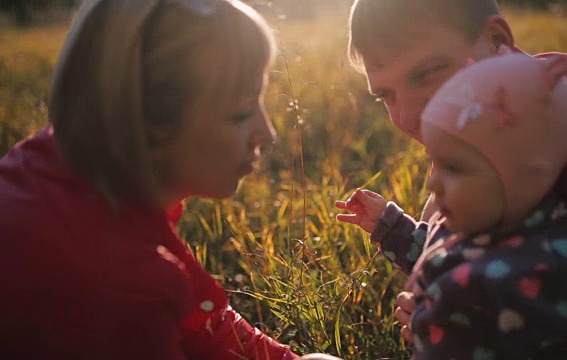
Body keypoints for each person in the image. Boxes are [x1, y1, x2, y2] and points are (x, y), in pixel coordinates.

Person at [0, 0, 332, 358]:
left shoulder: (47, 166)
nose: (266, 134)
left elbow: (200, 322)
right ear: (151, 128)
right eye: (240, 114)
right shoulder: (124, 289)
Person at [346, 0, 567, 355]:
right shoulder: (490, 124)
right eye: (385, 95)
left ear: (496, 38)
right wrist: (440, 301)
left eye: (428, 72)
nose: (409, 117)